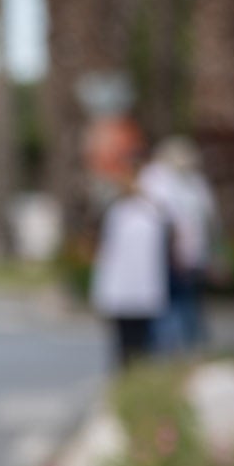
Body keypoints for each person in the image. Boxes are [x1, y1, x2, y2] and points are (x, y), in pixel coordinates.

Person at [138, 136, 218, 351]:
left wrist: (215, 256)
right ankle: (167, 354)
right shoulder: (155, 180)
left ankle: (187, 352)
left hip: (193, 258)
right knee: (168, 309)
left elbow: (208, 222)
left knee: (189, 307)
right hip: (165, 260)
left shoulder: (196, 183)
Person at [90, 159, 170, 370]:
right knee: (125, 344)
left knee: (141, 343)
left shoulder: (151, 215)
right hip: (124, 290)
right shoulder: (119, 212)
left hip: (141, 290)